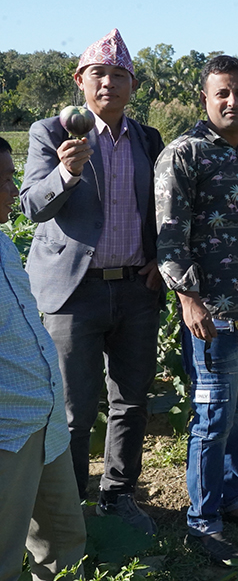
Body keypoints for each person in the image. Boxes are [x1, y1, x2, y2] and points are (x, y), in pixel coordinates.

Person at [20, 29, 164, 534]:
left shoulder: (148, 139)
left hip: (135, 288)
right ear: (81, 81)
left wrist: (159, 259)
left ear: (132, 85)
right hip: (73, 292)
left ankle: (118, 496)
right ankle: (70, 506)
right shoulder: (50, 132)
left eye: (119, 75)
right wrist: (66, 174)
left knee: (131, 399)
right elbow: (31, 206)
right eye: (99, 74)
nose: (109, 83)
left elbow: (164, 211)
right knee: (74, 408)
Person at [155, 55, 238, 564]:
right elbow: (170, 237)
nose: (233, 102)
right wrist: (188, 298)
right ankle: (203, 519)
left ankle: (233, 498)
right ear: (206, 100)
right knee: (212, 417)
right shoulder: (184, 155)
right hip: (213, 318)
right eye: (223, 94)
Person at [1, 136, 87, 581]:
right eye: (1, 181)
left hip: (45, 420)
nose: (13, 191)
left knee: (63, 543)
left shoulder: (3, 244)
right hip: (6, 432)